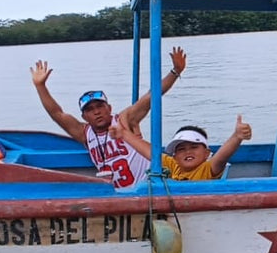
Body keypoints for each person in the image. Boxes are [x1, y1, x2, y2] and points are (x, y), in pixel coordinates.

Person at [30, 47, 186, 188]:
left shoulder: (124, 120)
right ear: (84, 116)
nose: (97, 112)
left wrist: (175, 72)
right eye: (90, 110)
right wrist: (40, 86)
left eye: (100, 106)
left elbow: (151, 96)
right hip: (117, 194)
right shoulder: (84, 133)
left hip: (146, 188)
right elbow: (57, 113)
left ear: (109, 108)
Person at [112, 117, 252, 181]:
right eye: (181, 149)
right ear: (175, 156)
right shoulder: (173, 165)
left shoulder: (207, 168)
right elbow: (151, 153)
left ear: (206, 153)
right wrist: (123, 134)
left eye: (194, 147)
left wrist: (237, 136)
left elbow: (222, 156)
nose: (188, 152)